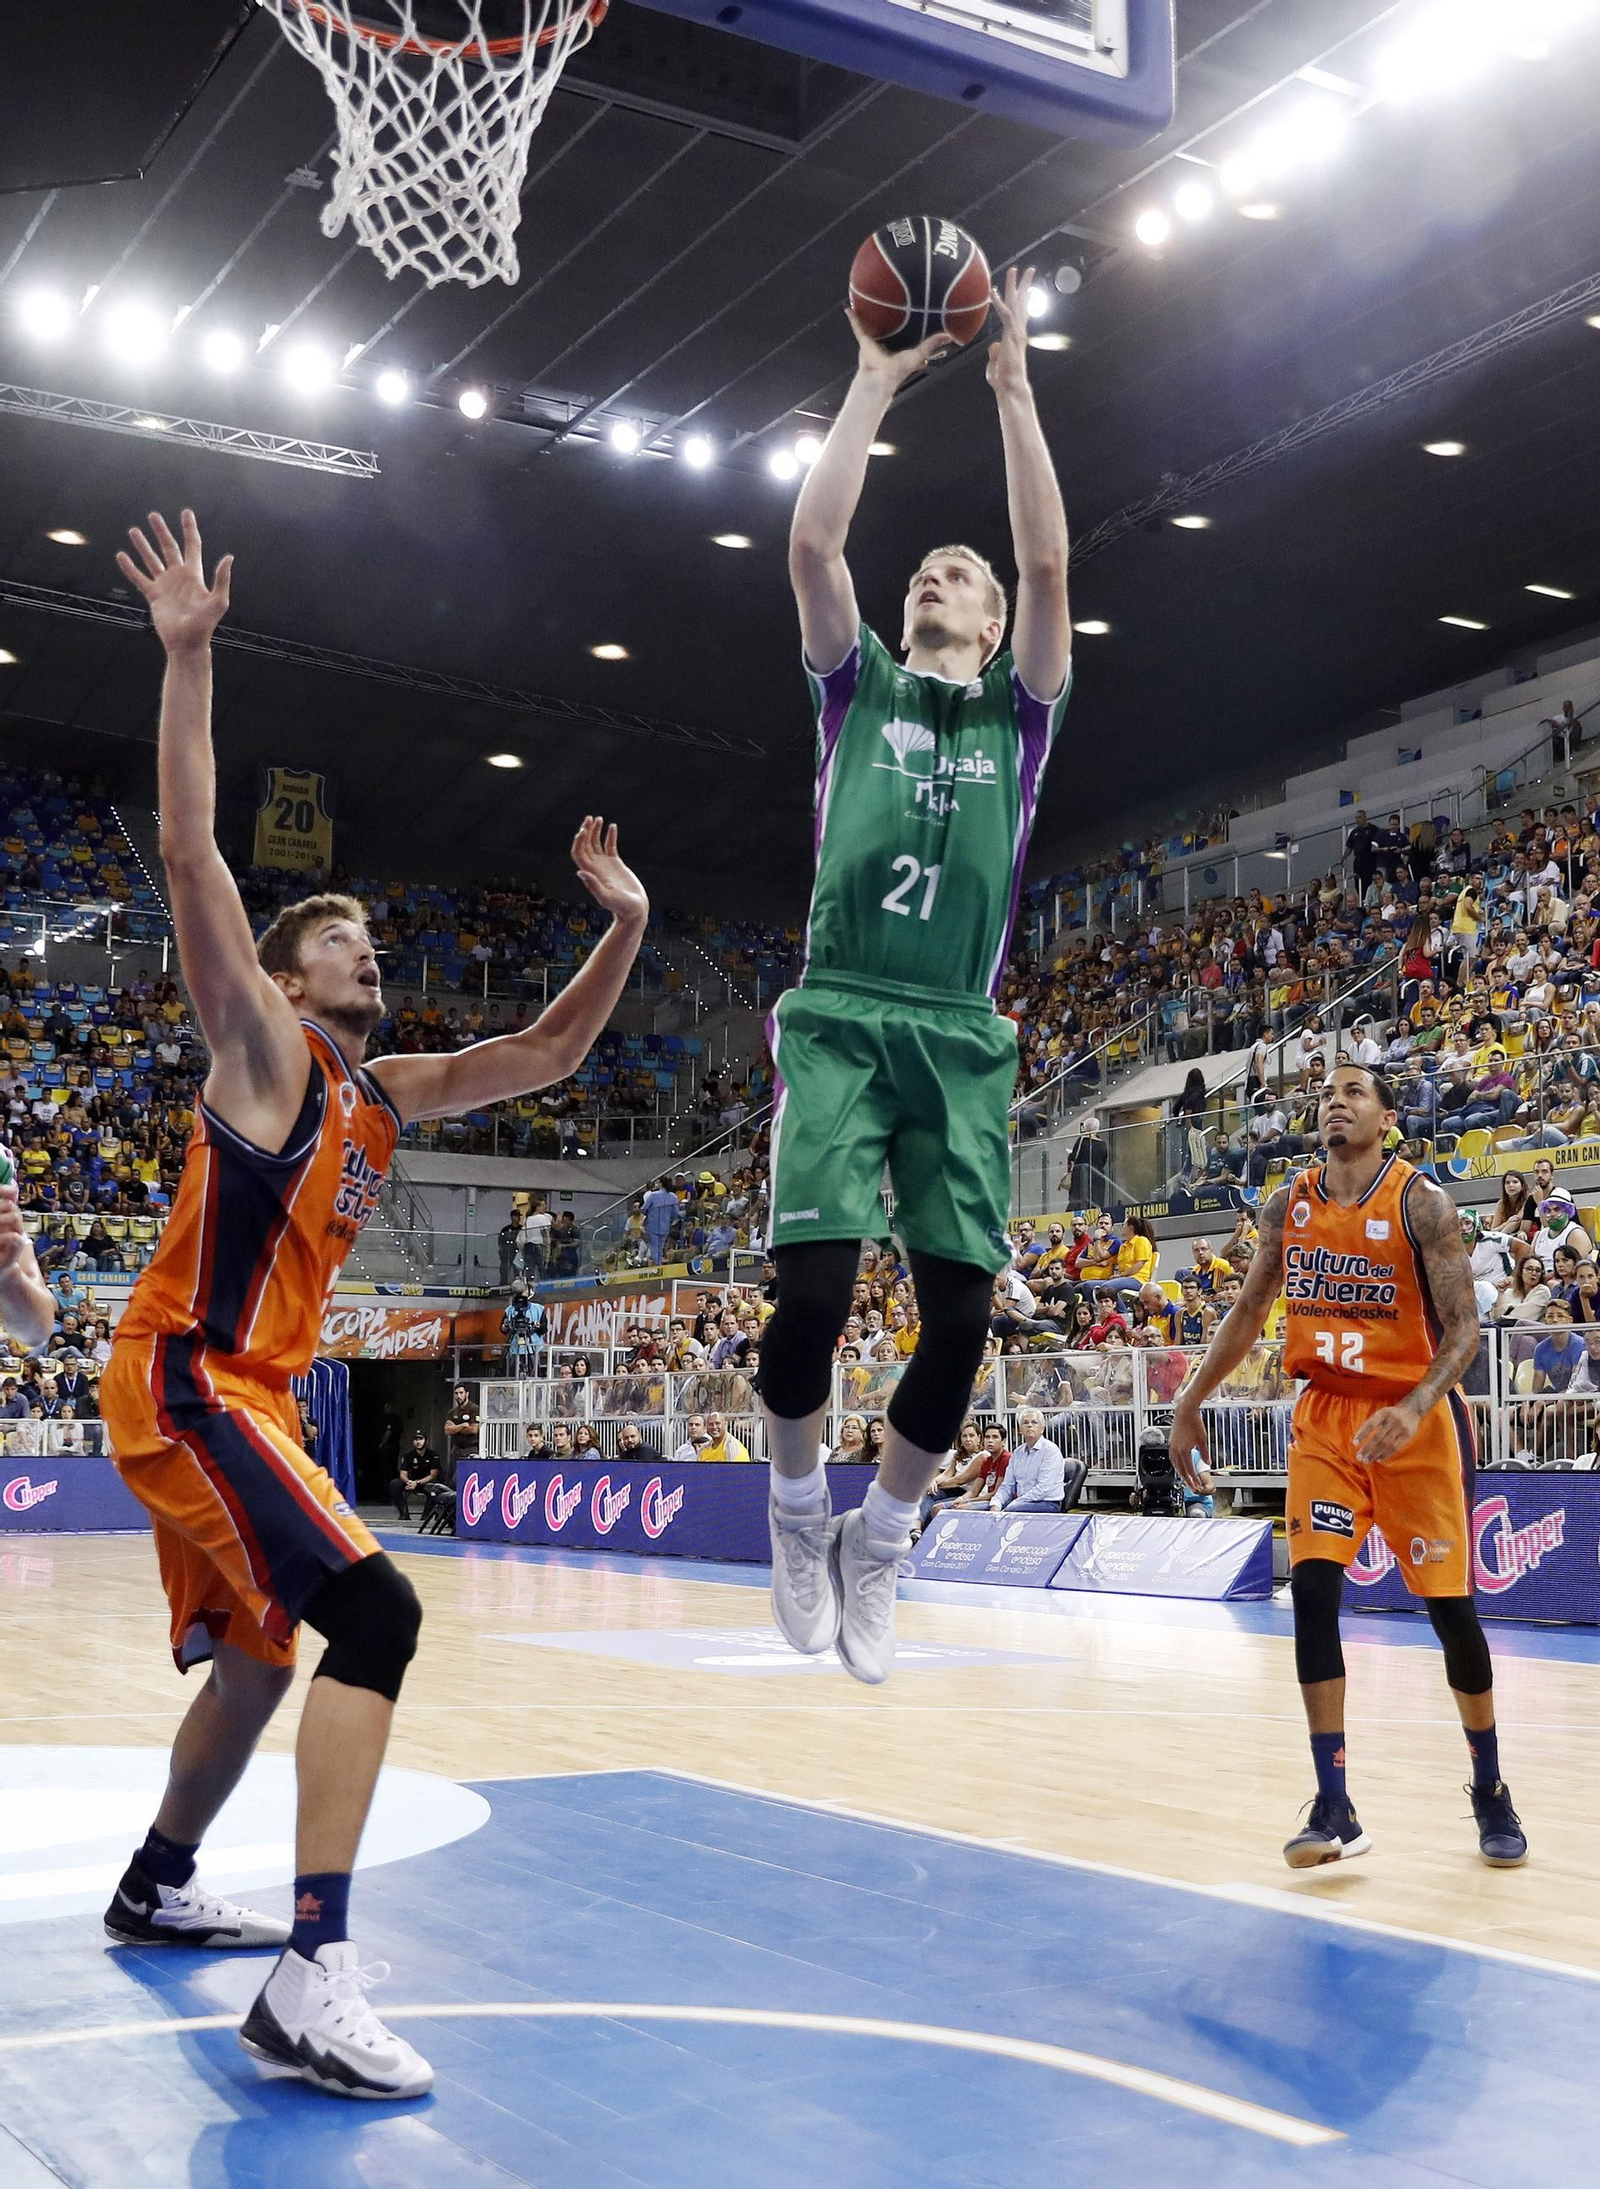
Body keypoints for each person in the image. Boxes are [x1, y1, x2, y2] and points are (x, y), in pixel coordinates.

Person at [96, 508, 650, 2101]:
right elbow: (195, 852)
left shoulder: (380, 1090)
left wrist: (622, 928)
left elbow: (540, 1057)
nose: (365, 947)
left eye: (365, 935)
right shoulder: (264, 1051)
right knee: (383, 1614)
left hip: (241, 1393)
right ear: (280, 981)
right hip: (192, 1375)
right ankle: (311, 1972)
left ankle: (156, 1876)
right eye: (337, 938)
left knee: (270, 1659)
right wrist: (191, 660)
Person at [760, 267, 1073, 1686]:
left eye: (961, 576)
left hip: (955, 1030)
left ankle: (882, 1536)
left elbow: (1054, 568)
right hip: (839, 1011)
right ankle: (793, 1508)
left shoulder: (1022, 720)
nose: (931, 578)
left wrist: (1012, 393)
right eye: (924, 574)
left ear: (999, 624)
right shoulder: (858, 691)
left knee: (959, 1318)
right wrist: (878, 384)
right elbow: (817, 545)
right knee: (815, 1297)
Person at [1171, 1063, 1526, 1873]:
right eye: (1326, 1093)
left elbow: (1465, 1330)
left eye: (1354, 1091)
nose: (1335, 1101)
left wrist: (1416, 1401)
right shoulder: (1288, 1203)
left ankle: (1491, 1786)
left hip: (1414, 1423)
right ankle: (1334, 1801)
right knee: (1316, 1592)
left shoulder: (1422, 1204)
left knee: (1452, 1617)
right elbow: (1251, 1309)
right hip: (1327, 1420)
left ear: (1387, 1116)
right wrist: (1191, 1397)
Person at [990, 1407, 1068, 1514]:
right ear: (1020, 1430)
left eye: (1034, 1422)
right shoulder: (1017, 1453)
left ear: (1042, 1429)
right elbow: (1007, 1485)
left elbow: (1043, 1489)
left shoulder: (1050, 1451)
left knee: (1010, 1510)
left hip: (1046, 1503)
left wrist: (1015, 1503)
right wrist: (996, 1504)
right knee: (982, 1508)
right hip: (1020, 1502)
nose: (1029, 1425)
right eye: (1025, 1423)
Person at [391, 1430, 438, 1522]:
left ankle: (425, 1518)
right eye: (416, 1439)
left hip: (426, 1483)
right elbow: (403, 1473)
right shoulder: (409, 1455)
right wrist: (408, 1482)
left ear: (426, 1441)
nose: (418, 1442)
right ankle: (404, 1514)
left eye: (420, 1439)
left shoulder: (433, 1455)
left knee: (434, 1488)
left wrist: (418, 1482)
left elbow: (433, 1475)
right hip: (411, 1482)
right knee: (395, 1484)